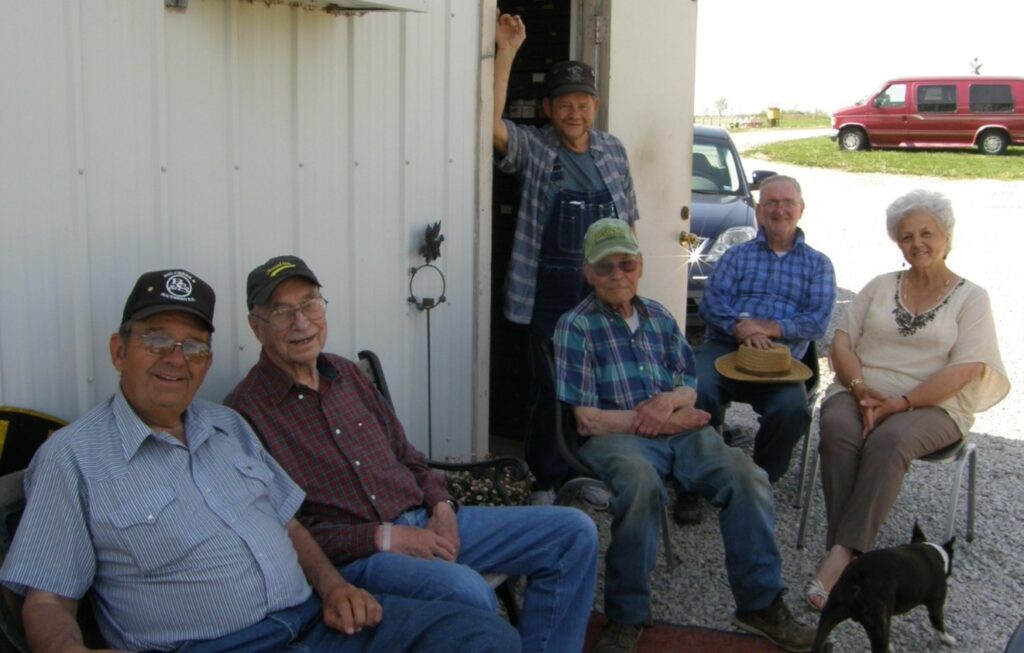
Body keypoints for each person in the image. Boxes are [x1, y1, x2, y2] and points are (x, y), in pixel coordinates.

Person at [0, 269, 519, 653]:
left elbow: (289, 524)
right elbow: (47, 602)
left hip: (318, 623)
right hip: (217, 645)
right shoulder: (73, 457)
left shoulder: (227, 427)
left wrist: (335, 586)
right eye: (157, 340)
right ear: (119, 351)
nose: (176, 359)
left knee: (484, 637)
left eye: (194, 346)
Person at [225, 255, 598, 653]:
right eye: (282, 311)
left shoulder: (346, 374)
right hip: (362, 556)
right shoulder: (245, 414)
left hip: (425, 519)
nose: (301, 322)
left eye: (310, 303)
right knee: (466, 591)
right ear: (255, 325)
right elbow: (283, 533)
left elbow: (407, 454)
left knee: (573, 533)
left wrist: (441, 506)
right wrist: (386, 537)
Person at [555, 220, 815, 653]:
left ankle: (759, 605)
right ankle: (627, 614)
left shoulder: (659, 315)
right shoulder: (576, 326)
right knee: (641, 487)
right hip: (615, 436)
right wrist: (665, 420)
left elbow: (689, 383)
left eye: (626, 262)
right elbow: (587, 421)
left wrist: (671, 402)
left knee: (748, 477)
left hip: (678, 430)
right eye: (605, 267)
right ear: (588, 273)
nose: (617, 273)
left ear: (639, 265)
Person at [804, 190, 1009, 611]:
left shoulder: (973, 298)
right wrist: (860, 389)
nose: (917, 243)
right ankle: (849, 552)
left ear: (947, 235)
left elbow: (966, 368)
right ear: (897, 244)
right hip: (862, 390)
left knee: (889, 441)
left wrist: (901, 403)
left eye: (926, 233)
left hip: (935, 404)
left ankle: (842, 557)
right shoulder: (880, 286)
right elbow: (842, 342)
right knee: (839, 428)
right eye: (906, 236)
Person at [494, 13, 639, 503]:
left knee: (602, 381)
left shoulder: (614, 151)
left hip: (605, 284)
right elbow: (488, 125)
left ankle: (590, 471)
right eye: (564, 105)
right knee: (551, 386)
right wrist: (508, 51)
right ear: (547, 108)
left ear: (595, 107)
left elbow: (629, 225)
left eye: (583, 104)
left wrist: (630, 287)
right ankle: (547, 479)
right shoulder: (534, 148)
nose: (574, 113)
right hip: (550, 287)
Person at [696, 174, 836, 482]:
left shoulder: (818, 264)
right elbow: (710, 304)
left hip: (781, 358)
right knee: (696, 388)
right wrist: (742, 328)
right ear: (759, 211)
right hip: (726, 346)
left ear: (801, 209)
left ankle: (759, 480)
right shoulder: (736, 255)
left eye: (788, 203)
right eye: (771, 203)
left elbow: (817, 320)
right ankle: (697, 478)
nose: (779, 210)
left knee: (792, 409)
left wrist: (767, 328)